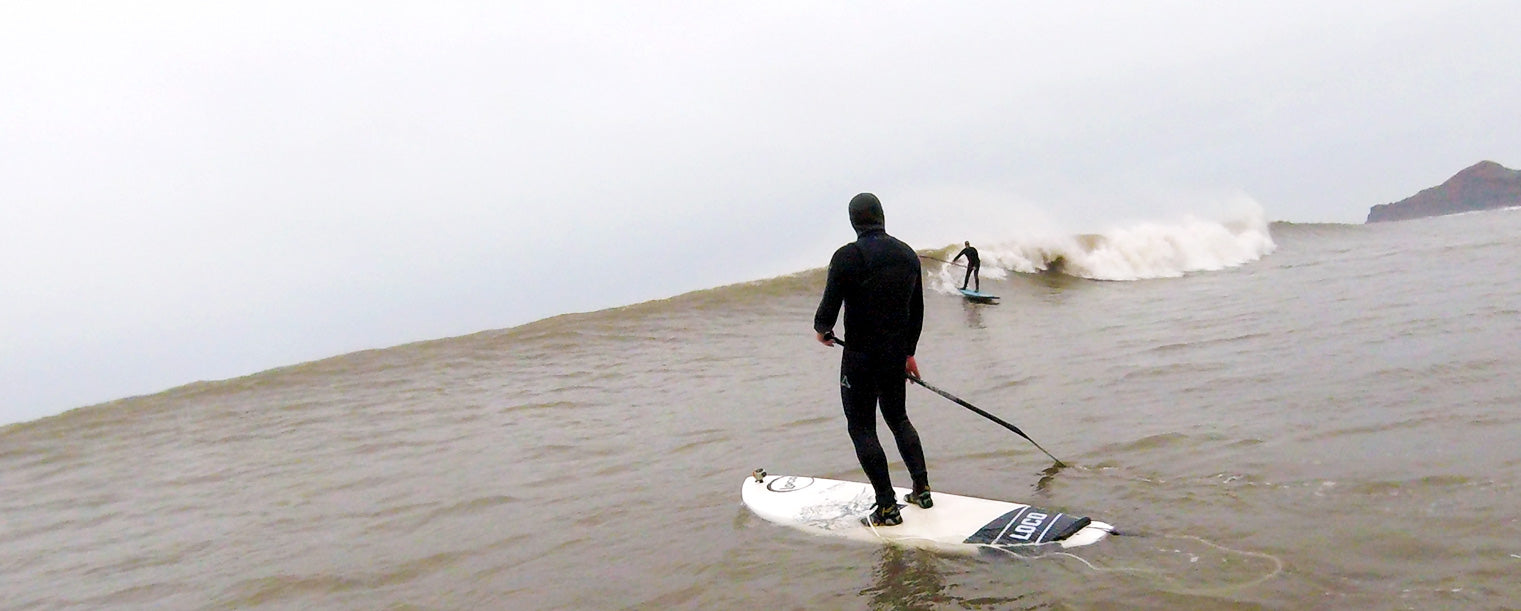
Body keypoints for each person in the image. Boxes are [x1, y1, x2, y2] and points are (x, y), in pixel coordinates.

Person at [813, 192, 933, 526]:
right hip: (895, 355)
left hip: (861, 357)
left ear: (854, 221)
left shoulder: (847, 256)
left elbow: (827, 313)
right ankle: (922, 489)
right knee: (898, 418)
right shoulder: (908, 255)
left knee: (862, 426)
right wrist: (909, 352)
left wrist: (823, 330)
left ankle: (886, 507)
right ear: (882, 216)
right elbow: (917, 312)